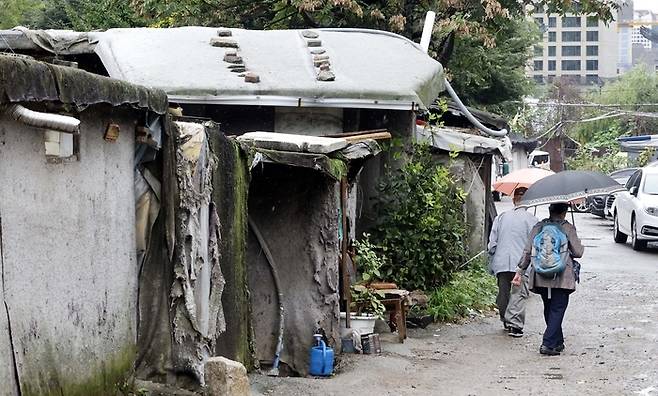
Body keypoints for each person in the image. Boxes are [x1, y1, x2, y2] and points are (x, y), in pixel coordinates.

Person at [513, 202, 584, 356]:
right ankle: (548, 343)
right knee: (558, 308)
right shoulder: (568, 227)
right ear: (564, 212)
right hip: (562, 276)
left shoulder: (539, 226)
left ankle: (557, 342)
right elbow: (578, 252)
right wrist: (579, 243)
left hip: (541, 274)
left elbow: (527, 251)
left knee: (549, 307)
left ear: (550, 210)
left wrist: (520, 270)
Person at [487, 187, 538, 337]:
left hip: (501, 262)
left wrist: (492, 257)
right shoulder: (532, 220)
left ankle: (505, 318)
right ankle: (514, 325)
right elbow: (535, 245)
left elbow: (492, 244)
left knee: (503, 293)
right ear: (528, 201)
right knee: (518, 293)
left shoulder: (501, 217)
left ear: (514, 199)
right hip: (521, 264)